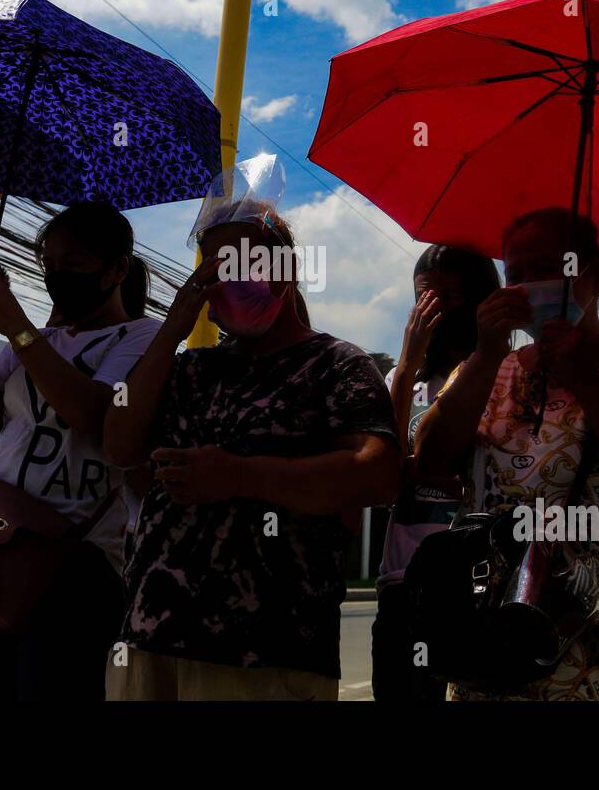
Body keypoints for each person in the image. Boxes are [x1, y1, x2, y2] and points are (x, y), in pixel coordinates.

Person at [104, 204, 400, 701]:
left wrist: (239, 475)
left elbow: (378, 475)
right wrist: (170, 332)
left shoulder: (337, 365)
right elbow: (119, 444)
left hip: (268, 652)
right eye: (213, 264)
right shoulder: (189, 369)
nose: (227, 276)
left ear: (285, 270)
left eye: (243, 261)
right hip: (151, 641)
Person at [415, 208, 599, 700]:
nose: (527, 286)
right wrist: (486, 352)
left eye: (547, 269)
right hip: (495, 649)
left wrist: (583, 377)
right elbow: (430, 462)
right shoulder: (485, 373)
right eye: (515, 274)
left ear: (594, 279)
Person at [0, 201, 159, 701]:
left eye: (76, 264)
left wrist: (16, 327)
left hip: (74, 559)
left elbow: (90, 415)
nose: (59, 276)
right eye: (51, 265)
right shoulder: (40, 339)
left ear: (117, 269)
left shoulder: (142, 338)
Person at [371, 246, 500, 701]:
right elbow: (380, 472)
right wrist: (405, 364)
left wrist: (434, 472)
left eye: (449, 297)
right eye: (424, 297)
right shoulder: (403, 380)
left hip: (477, 580)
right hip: (405, 579)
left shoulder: (503, 375)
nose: (435, 310)